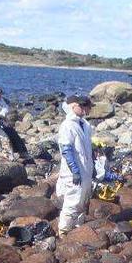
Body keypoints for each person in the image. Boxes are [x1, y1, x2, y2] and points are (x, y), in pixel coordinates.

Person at [56, 95, 94, 236]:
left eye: (87, 107)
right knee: (73, 201)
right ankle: (64, 231)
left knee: (83, 200)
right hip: (75, 171)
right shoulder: (68, 125)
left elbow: (88, 149)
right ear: (74, 106)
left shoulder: (84, 125)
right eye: (83, 106)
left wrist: (93, 167)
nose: (86, 109)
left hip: (86, 169)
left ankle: (78, 229)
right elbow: (66, 149)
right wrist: (75, 170)